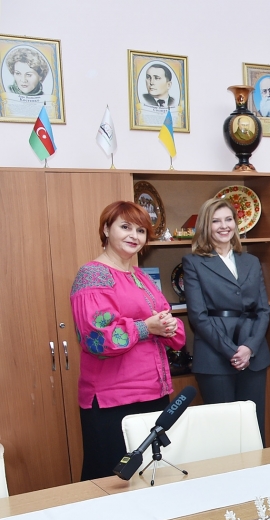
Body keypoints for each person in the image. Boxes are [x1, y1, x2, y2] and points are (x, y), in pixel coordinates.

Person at [71, 201, 185, 480]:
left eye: (141, 230)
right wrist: (147, 328)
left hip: (154, 393)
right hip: (114, 401)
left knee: (152, 476)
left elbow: (169, 325)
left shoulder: (140, 275)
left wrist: (169, 325)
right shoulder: (93, 274)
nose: (134, 235)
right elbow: (96, 339)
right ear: (106, 229)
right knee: (112, 481)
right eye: (125, 227)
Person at [182, 198, 270, 443]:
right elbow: (198, 316)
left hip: (254, 355)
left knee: (254, 429)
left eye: (228, 219)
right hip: (215, 357)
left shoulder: (250, 261)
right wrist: (232, 351)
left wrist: (249, 348)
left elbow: (264, 310)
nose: (224, 226)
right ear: (205, 226)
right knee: (224, 433)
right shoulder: (193, 262)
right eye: (216, 221)